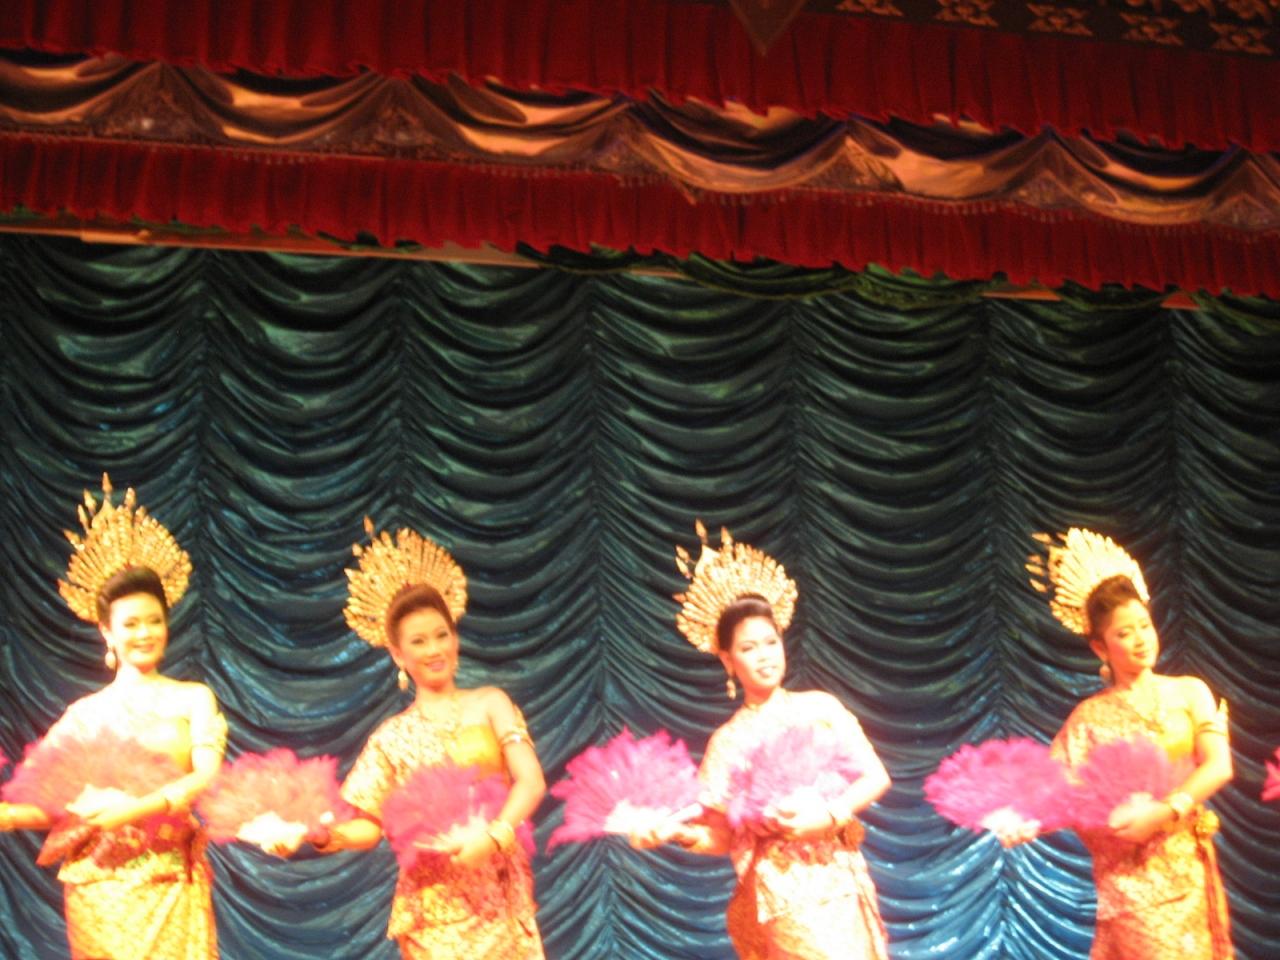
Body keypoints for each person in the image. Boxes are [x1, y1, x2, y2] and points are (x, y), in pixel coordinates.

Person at [273, 521, 545, 959]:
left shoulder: (492, 702)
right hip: (434, 912)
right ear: (398, 655)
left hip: (500, 899)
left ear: (455, 637)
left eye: (441, 634)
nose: (434, 649)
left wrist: (494, 838)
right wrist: (321, 835)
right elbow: (368, 826)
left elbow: (531, 782)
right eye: (418, 641)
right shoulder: (391, 737)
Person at [633, 523, 892, 960]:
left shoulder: (820, 707)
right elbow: (721, 836)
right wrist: (677, 833)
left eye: (771, 642)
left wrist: (829, 815)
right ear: (727, 660)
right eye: (749, 648)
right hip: (781, 896)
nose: (765, 655)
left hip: (841, 881)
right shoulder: (727, 741)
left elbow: (876, 777)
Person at [0, 476, 225, 959]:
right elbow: (51, 802)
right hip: (100, 893)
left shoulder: (193, 698)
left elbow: (205, 777)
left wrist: (132, 810)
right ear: (107, 632)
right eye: (131, 624)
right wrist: (9, 816)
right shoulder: (84, 715)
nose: (145, 633)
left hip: (171, 885)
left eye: (154, 620)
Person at [1017, 527, 1233, 959]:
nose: (1141, 639)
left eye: (1144, 626)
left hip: (1189, 871)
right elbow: (1056, 792)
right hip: (1131, 885)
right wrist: (1024, 821)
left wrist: (1164, 811)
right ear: (1100, 647)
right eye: (1124, 633)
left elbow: (1218, 765)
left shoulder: (1190, 691)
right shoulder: (1089, 718)